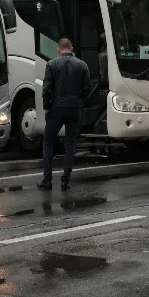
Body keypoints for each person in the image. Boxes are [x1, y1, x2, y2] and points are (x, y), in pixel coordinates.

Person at [39, 38, 92, 190]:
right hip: (74, 108)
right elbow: (87, 87)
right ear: (71, 47)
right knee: (70, 143)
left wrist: (46, 106)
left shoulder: (52, 64)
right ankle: (65, 180)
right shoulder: (82, 65)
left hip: (56, 107)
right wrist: (79, 100)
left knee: (48, 142)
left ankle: (47, 180)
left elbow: (47, 88)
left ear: (58, 49)